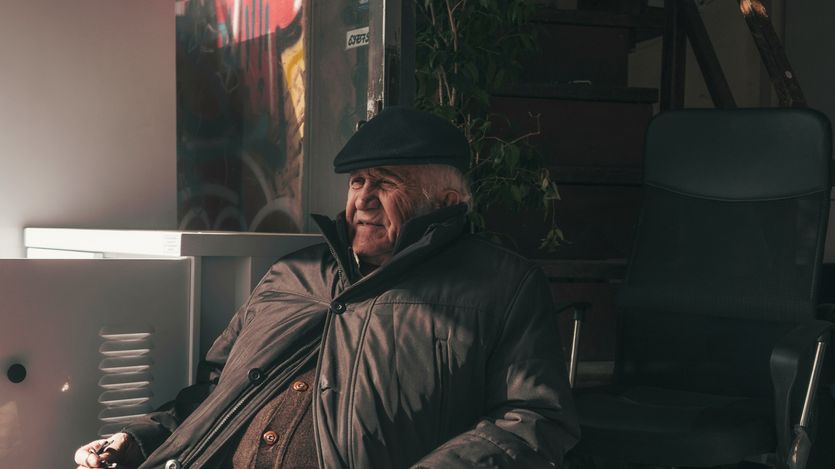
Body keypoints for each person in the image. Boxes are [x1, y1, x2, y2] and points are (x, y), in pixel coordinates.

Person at [74, 107, 579, 469]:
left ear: (445, 200)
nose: (363, 200)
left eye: (387, 183)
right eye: (358, 181)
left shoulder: (501, 286)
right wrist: (136, 439)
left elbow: (534, 421)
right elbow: (211, 391)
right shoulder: (292, 274)